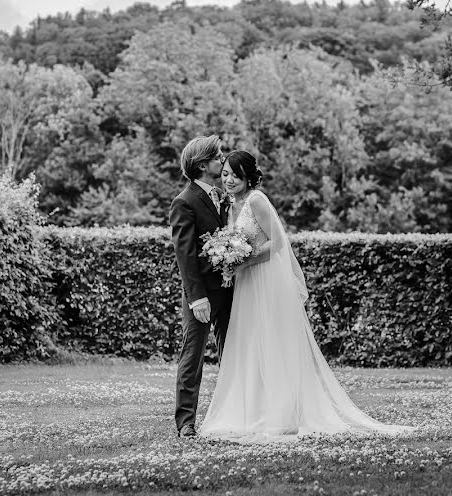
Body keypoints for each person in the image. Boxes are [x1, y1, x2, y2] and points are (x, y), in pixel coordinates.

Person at [199, 150, 412, 442]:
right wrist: (230, 259)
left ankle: (284, 414)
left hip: (265, 279)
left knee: (273, 342)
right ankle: (253, 411)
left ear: (248, 176)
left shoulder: (256, 200)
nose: (229, 180)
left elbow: (276, 243)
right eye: (225, 174)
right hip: (246, 283)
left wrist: (243, 259)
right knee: (249, 342)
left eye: (235, 175)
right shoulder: (229, 204)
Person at [169, 135, 233, 438]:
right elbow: (185, 256)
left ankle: (235, 413)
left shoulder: (223, 195)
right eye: (217, 156)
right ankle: (186, 424)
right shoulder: (184, 202)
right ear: (202, 164)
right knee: (192, 356)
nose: (223, 160)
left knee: (233, 354)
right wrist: (197, 298)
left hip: (230, 290)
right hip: (202, 296)